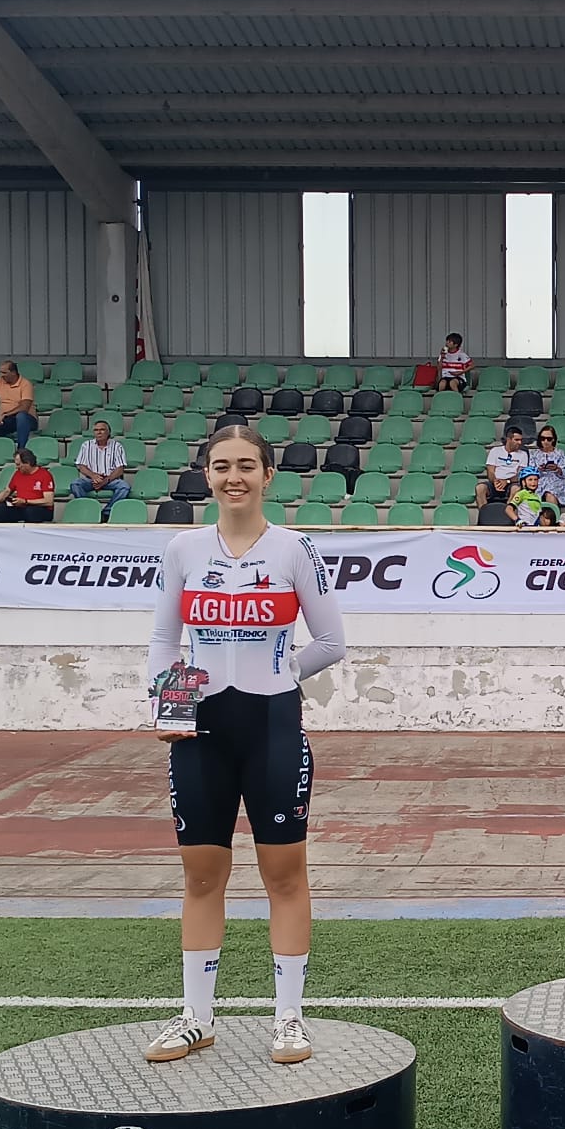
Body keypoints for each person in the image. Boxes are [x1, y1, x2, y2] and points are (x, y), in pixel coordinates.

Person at [144, 426, 348, 1068]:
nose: (234, 477)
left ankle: (288, 1020)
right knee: (202, 874)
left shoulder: (294, 550)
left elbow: (332, 640)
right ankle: (196, 1019)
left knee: (283, 876)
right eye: (221, 466)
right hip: (199, 733)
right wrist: (172, 705)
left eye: (246, 467)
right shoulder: (182, 549)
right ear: (206, 476)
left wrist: (281, 677)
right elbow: (163, 639)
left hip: (273, 729)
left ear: (267, 476)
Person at [70, 421, 132, 514]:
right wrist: (93, 476)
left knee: (124, 486)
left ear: (108, 432)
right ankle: (89, 510)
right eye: (96, 430)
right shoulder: (86, 445)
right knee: (75, 484)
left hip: (110, 480)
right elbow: (81, 466)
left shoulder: (117, 446)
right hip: (91, 480)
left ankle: (107, 512)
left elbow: (120, 469)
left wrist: (105, 480)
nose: (99, 432)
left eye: (102, 430)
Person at [0, 448, 56, 523]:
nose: (16, 467)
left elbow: (49, 501)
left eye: (18, 465)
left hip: (40, 509)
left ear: (28, 463)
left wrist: (26, 501)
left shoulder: (45, 475)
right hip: (21, 508)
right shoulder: (17, 474)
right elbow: (6, 491)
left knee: (30, 512)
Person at [0, 360, 38, 450]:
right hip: (7, 420)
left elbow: (24, 407)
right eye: (0, 372)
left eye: (4, 372)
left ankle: (21, 450)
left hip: (27, 419)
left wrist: (5, 414)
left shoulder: (26, 384)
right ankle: (6, 447)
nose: (1, 375)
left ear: (13, 372)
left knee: (21, 416)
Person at [475, 426, 527, 511]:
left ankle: (507, 515)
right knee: (480, 488)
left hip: (511, 483)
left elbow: (520, 474)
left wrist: (507, 481)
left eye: (521, 440)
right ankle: (484, 516)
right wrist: (496, 481)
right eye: (516, 440)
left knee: (516, 489)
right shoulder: (495, 451)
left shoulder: (523, 454)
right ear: (509, 439)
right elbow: (490, 471)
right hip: (495, 482)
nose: (520, 442)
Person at [530, 425, 565, 506]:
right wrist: (539, 470)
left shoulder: (560, 453)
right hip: (539, 482)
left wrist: (557, 469)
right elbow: (530, 472)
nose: (545, 441)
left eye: (549, 439)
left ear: (553, 439)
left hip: (556, 482)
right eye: (543, 438)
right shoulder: (534, 454)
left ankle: (554, 516)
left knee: (550, 494)